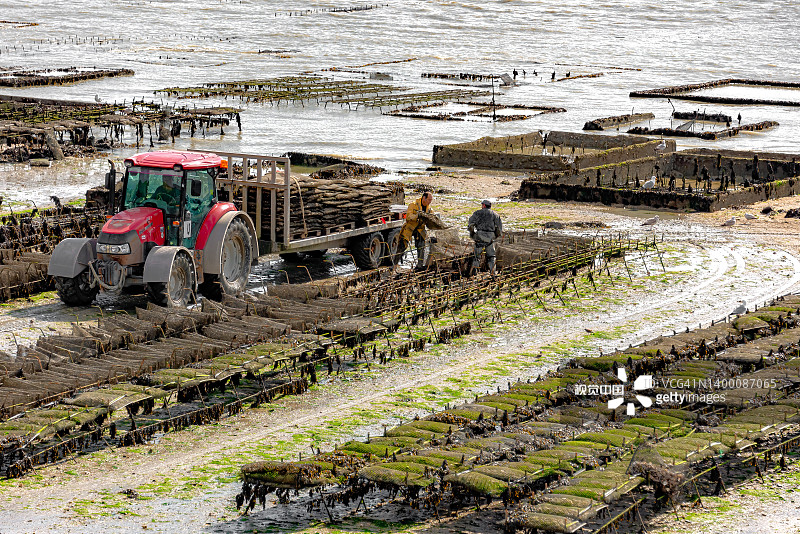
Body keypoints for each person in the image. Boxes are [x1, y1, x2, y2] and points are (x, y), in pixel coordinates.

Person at [396, 192, 433, 270]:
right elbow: (409, 217)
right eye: (429, 200)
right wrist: (417, 215)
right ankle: (394, 264)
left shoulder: (429, 209)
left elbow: (432, 218)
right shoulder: (413, 205)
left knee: (421, 245)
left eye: (431, 200)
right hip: (410, 227)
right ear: (424, 198)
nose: (430, 202)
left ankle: (419, 265)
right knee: (402, 245)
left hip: (419, 229)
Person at [468, 200, 502, 275]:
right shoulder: (495, 215)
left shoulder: (477, 213)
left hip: (479, 237)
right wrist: (494, 237)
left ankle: (474, 273)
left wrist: (473, 234)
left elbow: (470, 225)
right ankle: (493, 272)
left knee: (476, 257)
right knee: (491, 257)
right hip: (490, 238)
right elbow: (499, 230)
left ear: (483, 205)